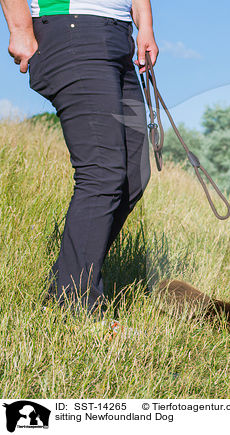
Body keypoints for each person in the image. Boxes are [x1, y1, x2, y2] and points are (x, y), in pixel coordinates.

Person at [0, 0, 158, 314]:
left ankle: (67, 284)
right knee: (102, 173)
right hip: (73, 28)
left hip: (118, 38)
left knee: (133, 175)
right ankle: (75, 305)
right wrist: (19, 29)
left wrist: (146, 27)